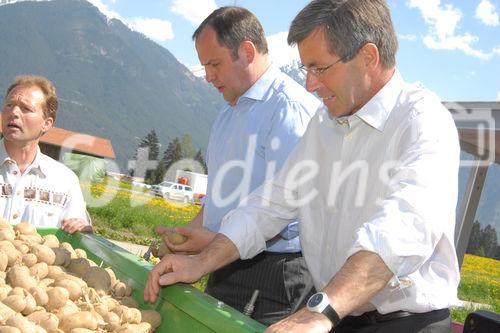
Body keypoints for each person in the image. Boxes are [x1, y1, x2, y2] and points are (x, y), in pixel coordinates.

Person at [145, 0, 460, 332]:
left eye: (319, 68)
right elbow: (272, 204)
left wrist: (319, 312)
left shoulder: (422, 120)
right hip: (338, 313)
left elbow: (400, 232)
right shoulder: (324, 124)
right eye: (305, 70)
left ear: (368, 56)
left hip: (405, 324)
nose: (310, 84)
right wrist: (200, 263)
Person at [155, 6, 320, 325]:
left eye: (214, 64)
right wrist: (190, 232)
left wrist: (212, 242)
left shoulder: (289, 111)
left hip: (273, 273)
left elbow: (288, 213)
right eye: (205, 66)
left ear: (246, 52)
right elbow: (220, 195)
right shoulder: (227, 115)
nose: (208, 77)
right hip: (222, 261)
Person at [1, 75, 92, 234]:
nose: (14, 112)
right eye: (9, 105)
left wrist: (82, 231)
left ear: (46, 123)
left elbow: (77, 238)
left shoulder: (65, 181)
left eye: (26, 108)